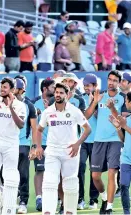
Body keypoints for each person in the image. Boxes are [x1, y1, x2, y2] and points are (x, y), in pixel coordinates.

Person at [36, 83, 91, 215]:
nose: (58, 95)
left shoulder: (74, 110)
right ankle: (48, 211)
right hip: (52, 152)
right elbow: (39, 129)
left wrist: (78, 143)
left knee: (70, 183)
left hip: (70, 152)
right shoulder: (48, 111)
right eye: (56, 92)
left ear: (68, 95)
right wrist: (38, 146)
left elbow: (87, 128)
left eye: (61, 93)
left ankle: (69, 212)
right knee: (49, 182)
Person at [85, 70, 128, 214]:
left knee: (112, 173)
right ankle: (104, 198)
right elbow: (86, 115)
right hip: (99, 140)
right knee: (95, 176)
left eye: (115, 80)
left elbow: (122, 121)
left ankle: (109, 207)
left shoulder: (123, 98)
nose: (111, 82)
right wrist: (95, 102)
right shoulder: (100, 95)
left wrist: (112, 108)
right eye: (109, 79)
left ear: (120, 83)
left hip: (116, 139)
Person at [0, 77, 26, 215]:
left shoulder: (19, 105)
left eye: (5, 87)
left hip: (10, 145)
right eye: (1, 87)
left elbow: (20, 125)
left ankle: (9, 209)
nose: (2, 90)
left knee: (10, 178)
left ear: (12, 90)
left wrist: (11, 107)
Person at [13, 77, 37, 214]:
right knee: (3, 173)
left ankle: (23, 201)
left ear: (22, 90)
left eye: (15, 88)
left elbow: (34, 128)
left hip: (23, 144)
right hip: (7, 143)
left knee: (23, 174)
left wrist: (34, 147)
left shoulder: (29, 105)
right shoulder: (4, 102)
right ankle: (9, 199)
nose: (13, 90)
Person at [32, 78, 56, 211]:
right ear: (45, 89)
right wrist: (34, 145)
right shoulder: (34, 103)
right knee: (40, 170)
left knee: (55, 171)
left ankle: (56, 198)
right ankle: (39, 198)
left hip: (54, 143)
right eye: (53, 87)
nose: (55, 90)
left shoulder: (57, 102)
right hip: (41, 143)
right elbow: (31, 126)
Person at [77, 73, 100, 210]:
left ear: (95, 86)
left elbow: (99, 117)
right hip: (83, 139)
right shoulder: (80, 99)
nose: (86, 88)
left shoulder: (100, 99)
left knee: (94, 171)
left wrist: (94, 103)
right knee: (80, 167)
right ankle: (80, 198)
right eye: (85, 85)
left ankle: (93, 199)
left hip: (97, 140)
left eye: (88, 86)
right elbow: (82, 117)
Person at [109, 92, 131, 215]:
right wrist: (118, 127)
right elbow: (123, 139)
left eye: (127, 101)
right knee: (123, 185)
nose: (125, 103)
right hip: (126, 159)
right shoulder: (126, 120)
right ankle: (126, 212)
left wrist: (124, 126)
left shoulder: (126, 121)